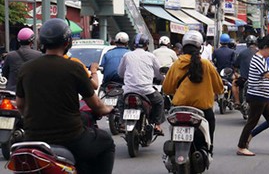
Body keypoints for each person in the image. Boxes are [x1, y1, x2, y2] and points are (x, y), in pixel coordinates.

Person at [16, 18, 115, 174]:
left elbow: (20, 105)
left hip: (32, 138)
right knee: (106, 142)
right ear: (67, 42)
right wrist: (108, 109)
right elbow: (96, 105)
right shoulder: (74, 67)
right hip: (70, 138)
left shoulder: (26, 68)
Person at [163, 30, 224, 148]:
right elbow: (219, 87)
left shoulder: (177, 64)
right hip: (203, 108)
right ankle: (208, 148)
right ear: (200, 47)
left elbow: (167, 88)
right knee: (210, 122)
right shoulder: (206, 64)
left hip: (179, 107)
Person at [118, 33, 165, 134]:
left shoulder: (127, 55)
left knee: (121, 102)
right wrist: (160, 79)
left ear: (134, 45)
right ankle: (157, 125)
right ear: (146, 45)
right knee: (160, 101)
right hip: (146, 91)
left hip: (128, 90)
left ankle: (122, 123)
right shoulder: (151, 56)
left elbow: (120, 73)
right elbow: (159, 74)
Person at [233, 35, 258, 108]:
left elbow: (236, 64)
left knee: (234, 84)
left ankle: (237, 102)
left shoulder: (242, 53)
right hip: (256, 79)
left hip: (244, 78)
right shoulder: (259, 52)